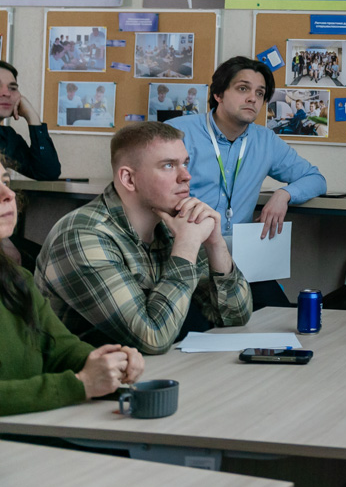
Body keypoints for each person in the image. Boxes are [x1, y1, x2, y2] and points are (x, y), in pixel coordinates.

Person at [34, 122, 251, 355]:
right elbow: (152, 338)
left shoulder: (173, 225)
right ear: (129, 179)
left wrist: (215, 244)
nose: (186, 176)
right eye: (168, 165)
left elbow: (235, 316)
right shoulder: (82, 235)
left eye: (185, 163)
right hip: (82, 375)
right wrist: (187, 245)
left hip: (150, 369)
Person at [168, 56, 326, 308]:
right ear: (219, 94)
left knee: (280, 316)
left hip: (240, 260)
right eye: (243, 89)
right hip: (185, 253)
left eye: (260, 93)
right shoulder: (178, 133)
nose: (253, 98)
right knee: (202, 322)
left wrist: (284, 194)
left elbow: (315, 179)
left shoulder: (265, 141)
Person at [0, 163, 145, 416]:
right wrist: (80, 384)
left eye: (5, 182)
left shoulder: (16, 278)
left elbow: (60, 347)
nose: (8, 194)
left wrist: (109, 361)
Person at [0, 61, 61, 180]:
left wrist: (32, 117)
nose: (7, 93)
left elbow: (47, 173)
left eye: (12, 88)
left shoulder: (8, 138)